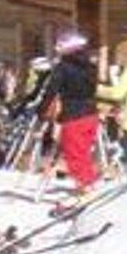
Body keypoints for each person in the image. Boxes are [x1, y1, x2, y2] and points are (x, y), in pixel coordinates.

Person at [50, 31, 103, 192]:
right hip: (91, 113)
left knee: (73, 152)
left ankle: (85, 184)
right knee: (83, 151)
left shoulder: (63, 67)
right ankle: (87, 183)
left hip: (73, 115)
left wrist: (43, 110)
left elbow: (52, 90)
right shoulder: (91, 66)